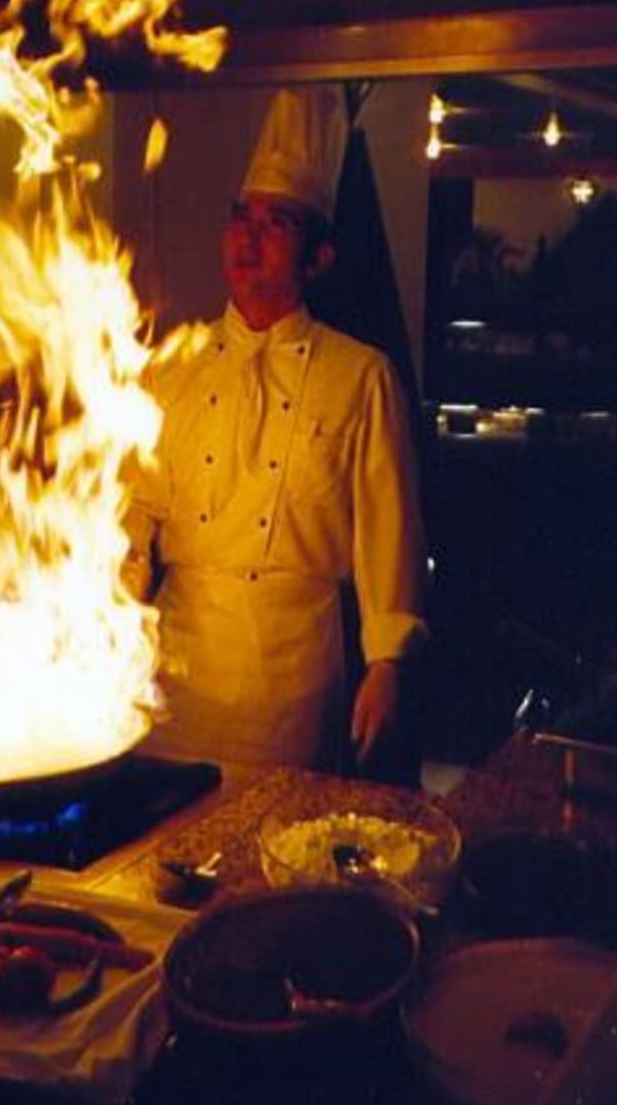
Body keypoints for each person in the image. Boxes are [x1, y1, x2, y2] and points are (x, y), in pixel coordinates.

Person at [126, 86, 427, 781]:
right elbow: (135, 508)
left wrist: (386, 661)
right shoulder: (170, 365)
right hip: (174, 671)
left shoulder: (361, 376)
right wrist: (104, 606)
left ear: (318, 258)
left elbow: (389, 530)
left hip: (291, 683)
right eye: (243, 218)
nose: (250, 238)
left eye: (278, 223)